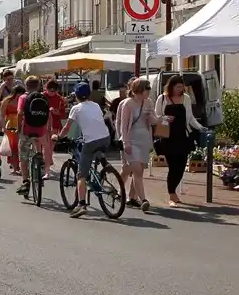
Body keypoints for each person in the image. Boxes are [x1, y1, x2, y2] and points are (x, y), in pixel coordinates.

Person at [56, 84, 110, 218]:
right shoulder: (96, 105)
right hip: (106, 137)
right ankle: (104, 163)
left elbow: (67, 127)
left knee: (81, 176)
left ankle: (81, 205)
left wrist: (58, 137)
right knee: (97, 148)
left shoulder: (76, 108)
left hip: (91, 141)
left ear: (76, 95)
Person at [154, 74, 205, 208]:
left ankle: (173, 192)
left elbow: (191, 118)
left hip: (183, 137)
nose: (179, 90)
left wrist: (201, 127)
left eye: (181, 87)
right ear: (171, 87)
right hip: (168, 137)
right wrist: (165, 118)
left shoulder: (186, 98)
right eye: (177, 87)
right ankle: (172, 195)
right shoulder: (162, 98)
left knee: (181, 167)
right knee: (173, 167)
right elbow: (156, 116)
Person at [117, 78, 156, 212]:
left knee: (137, 169)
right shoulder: (127, 104)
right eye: (147, 89)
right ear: (139, 90)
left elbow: (153, 120)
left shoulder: (148, 102)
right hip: (131, 140)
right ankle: (143, 199)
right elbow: (122, 125)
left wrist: (160, 118)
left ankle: (131, 196)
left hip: (144, 139)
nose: (149, 91)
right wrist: (124, 142)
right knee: (133, 170)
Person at [16, 76, 52, 199]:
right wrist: (47, 129)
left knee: (23, 157)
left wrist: (18, 129)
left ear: (26, 86)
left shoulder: (23, 97)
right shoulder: (43, 97)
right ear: (38, 86)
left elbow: (20, 113)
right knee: (41, 146)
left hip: (27, 130)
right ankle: (40, 161)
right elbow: (48, 115)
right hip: (41, 130)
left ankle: (26, 182)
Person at [2, 85, 25, 175]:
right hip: (11, 125)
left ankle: (20, 167)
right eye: (19, 94)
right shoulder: (7, 101)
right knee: (14, 147)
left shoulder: (23, 100)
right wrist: (3, 127)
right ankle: (16, 167)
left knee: (21, 147)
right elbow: (2, 115)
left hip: (22, 124)